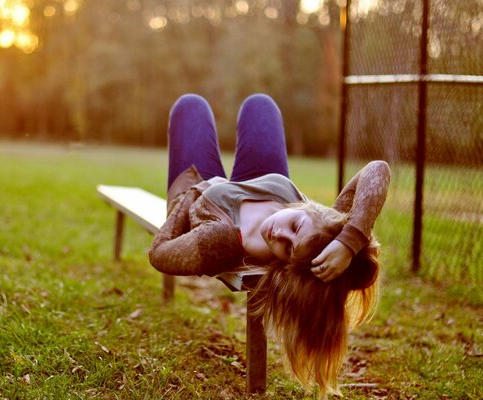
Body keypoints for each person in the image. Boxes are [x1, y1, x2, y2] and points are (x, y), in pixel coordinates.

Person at [148, 93, 391, 398]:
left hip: (200, 197)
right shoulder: (320, 226)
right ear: (311, 211)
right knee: (260, 105)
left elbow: (159, 253)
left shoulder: (221, 240)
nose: (278, 234)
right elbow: (377, 170)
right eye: (294, 226)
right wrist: (350, 240)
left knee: (190, 106)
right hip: (258, 184)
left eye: (287, 249)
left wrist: (186, 200)